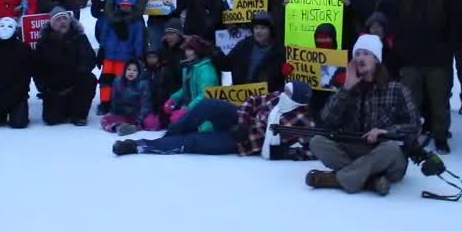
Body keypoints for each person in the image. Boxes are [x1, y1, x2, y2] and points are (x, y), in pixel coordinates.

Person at [305, 35, 420, 195]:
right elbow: (327, 119)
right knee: (317, 142)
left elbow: (414, 126)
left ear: (376, 59)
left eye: (366, 53)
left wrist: (385, 132)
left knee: (392, 149)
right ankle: (371, 181)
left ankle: (338, 179)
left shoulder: (397, 89)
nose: (360, 58)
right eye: (357, 54)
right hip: (355, 149)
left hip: (384, 153)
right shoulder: (347, 86)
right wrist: (345, 89)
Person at [112, 81, 316, 158]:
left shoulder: (304, 121)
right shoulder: (278, 97)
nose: (282, 94)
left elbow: (312, 149)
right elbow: (252, 100)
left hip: (243, 142)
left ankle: (139, 146)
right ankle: (170, 135)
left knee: (194, 141)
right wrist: (243, 121)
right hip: (241, 121)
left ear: (296, 101)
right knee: (206, 106)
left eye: (288, 93)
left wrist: (288, 152)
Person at [394, 0, 461, 154]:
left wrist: (448, 49)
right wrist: (401, 48)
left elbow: (455, 23)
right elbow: (397, 21)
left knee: (439, 101)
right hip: (411, 57)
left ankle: (441, 136)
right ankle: (411, 136)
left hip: (437, 58)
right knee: (411, 101)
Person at [34, 7, 98, 125]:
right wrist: (44, 88)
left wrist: (80, 73)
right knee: (51, 120)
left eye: (65, 18)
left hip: (76, 83)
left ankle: (79, 115)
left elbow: (89, 58)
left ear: (70, 21)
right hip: (55, 88)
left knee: (90, 79)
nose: (62, 22)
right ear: (52, 24)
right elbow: (37, 68)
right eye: (58, 20)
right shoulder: (43, 41)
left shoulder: (80, 37)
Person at [98, 0, 145, 115]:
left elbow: (138, 40)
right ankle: (104, 103)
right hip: (109, 56)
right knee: (105, 81)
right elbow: (104, 34)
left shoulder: (136, 23)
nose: (125, 7)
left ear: (132, 6)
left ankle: (118, 103)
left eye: (128, 5)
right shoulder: (111, 19)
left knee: (121, 81)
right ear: (118, 5)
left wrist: (138, 55)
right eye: (123, 5)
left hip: (124, 57)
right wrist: (102, 49)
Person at [0, 17, 33, 129]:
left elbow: (28, 72)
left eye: (9, 26)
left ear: (15, 30)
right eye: (2, 26)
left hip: (17, 96)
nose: (5, 29)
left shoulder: (24, 48)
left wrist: (21, 91)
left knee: (18, 123)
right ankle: (0, 114)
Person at [214, 11, 285, 91]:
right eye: (256, 27)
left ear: (270, 30)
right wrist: (213, 52)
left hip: (265, 98)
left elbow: (281, 80)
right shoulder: (244, 45)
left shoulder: (279, 52)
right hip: (241, 96)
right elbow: (226, 64)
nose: (258, 31)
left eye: (262, 28)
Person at [162, 35, 219, 124]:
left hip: (205, 120)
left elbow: (206, 95)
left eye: (190, 50)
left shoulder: (206, 70)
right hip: (194, 113)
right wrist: (173, 99)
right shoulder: (190, 67)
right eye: (186, 50)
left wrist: (187, 110)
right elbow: (186, 88)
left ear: (198, 51)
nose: (186, 53)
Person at [101, 60, 155, 135]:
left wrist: (139, 120)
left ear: (139, 72)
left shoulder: (143, 84)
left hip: (137, 114)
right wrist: (113, 113)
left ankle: (134, 127)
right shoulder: (118, 81)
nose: (131, 72)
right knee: (105, 119)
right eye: (128, 69)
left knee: (151, 122)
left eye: (135, 70)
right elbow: (114, 100)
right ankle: (118, 128)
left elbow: (145, 105)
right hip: (124, 114)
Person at [364, 12, 400, 80]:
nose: (375, 30)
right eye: (372, 27)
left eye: (378, 27)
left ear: (384, 29)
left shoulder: (391, 46)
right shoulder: (362, 49)